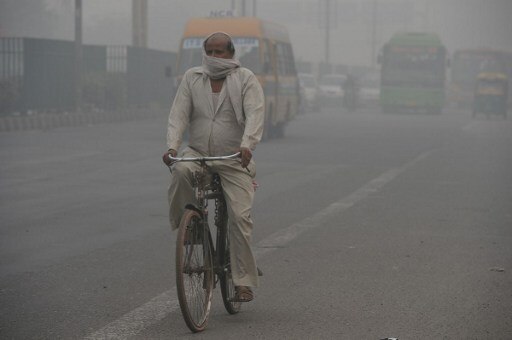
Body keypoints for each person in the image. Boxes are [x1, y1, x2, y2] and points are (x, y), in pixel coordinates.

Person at [162, 32, 265, 302]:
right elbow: (178, 114)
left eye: (220, 51)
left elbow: (255, 113)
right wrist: (172, 147)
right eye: (210, 51)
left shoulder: (245, 79)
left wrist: (247, 145)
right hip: (197, 152)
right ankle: (191, 230)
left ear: (231, 53)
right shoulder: (192, 77)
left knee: (240, 218)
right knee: (181, 171)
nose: (215, 57)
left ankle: (243, 281)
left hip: (233, 157)